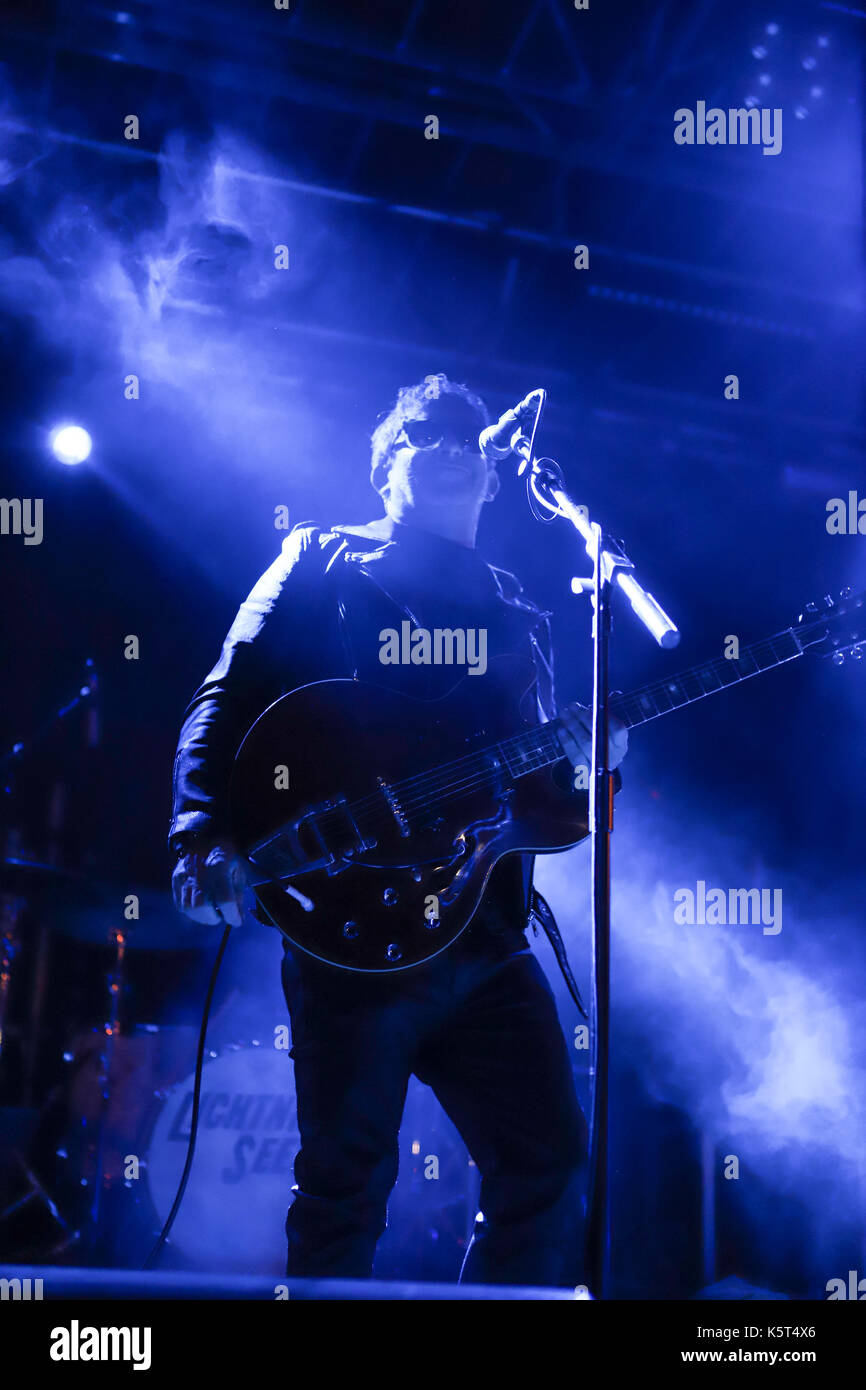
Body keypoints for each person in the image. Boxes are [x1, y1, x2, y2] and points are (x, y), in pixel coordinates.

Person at [168, 372, 628, 1286]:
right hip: (351, 926)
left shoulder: (519, 612)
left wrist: (587, 759)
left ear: (496, 479)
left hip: (483, 932)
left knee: (550, 1164)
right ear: (385, 470)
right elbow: (226, 695)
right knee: (347, 1185)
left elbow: (537, 802)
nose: (457, 448)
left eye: (471, 439)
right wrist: (198, 835)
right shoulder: (320, 557)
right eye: (429, 434)